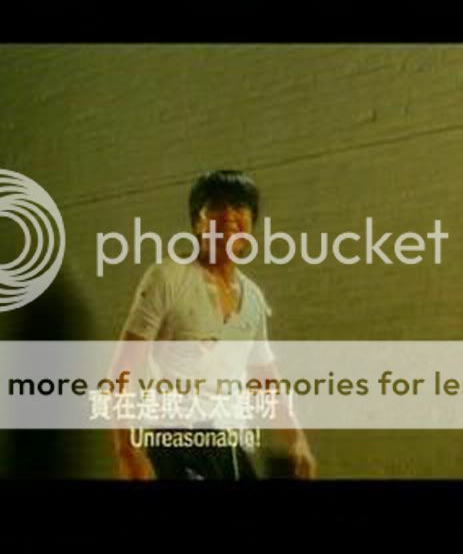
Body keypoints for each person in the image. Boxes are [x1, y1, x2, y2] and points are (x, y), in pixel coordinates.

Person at [111, 169, 317, 480]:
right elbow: (122, 372)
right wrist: (128, 451)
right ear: (197, 222)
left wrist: (297, 440)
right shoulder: (168, 277)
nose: (230, 216)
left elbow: (265, 380)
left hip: (230, 445)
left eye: (239, 206)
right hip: (175, 441)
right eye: (217, 206)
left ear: (252, 223)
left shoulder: (253, 298)